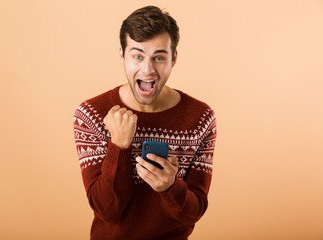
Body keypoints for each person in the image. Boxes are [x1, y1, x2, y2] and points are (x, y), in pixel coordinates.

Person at [73, 5, 217, 240]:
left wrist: (171, 188)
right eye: (137, 56)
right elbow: (106, 210)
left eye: (159, 57)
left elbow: (194, 211)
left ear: (174, 59)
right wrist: (118, 146)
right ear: (122, 56)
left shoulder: (200, 118)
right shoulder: (91, 114)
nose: (148, 69)